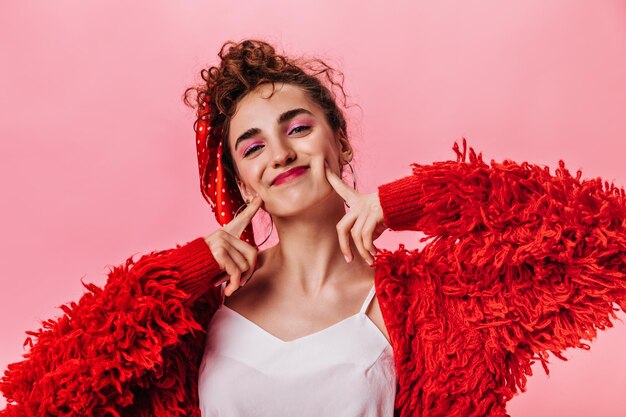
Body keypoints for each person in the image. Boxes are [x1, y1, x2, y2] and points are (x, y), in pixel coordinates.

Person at [1, 39, 625, 417]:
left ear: (337, 139)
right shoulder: (199, 314)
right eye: (252, 146)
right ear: (243, 183)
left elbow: (609, 239)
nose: (280, 152)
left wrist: (416, 200)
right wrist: (180, 275)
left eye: (298, 127)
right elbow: (47, 398)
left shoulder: (432, 302)